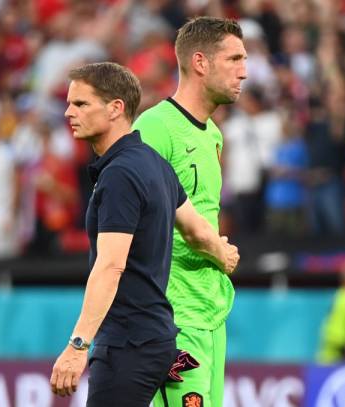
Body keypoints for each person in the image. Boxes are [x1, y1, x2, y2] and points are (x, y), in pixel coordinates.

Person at [49, 62, 239, 407]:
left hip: (127, 342)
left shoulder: (119, 174)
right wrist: (222, 252)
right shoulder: (155, 163)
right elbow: (197, 231)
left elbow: (110, 266)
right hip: (158, 337)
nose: (68, 112)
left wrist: (78, 346)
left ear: (115, 108)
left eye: (81, 104)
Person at [133, 16, 247, 407]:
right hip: (172, 315)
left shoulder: (212, 133)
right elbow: (128, 221)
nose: (244, 72)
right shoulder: (154, 129)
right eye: (234, 59)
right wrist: (211, 246)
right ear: (201, 63)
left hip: (210, 313)